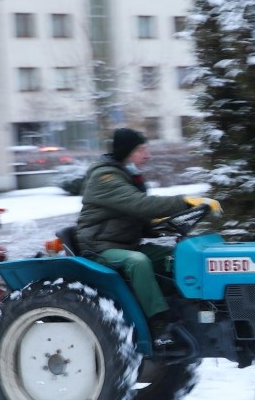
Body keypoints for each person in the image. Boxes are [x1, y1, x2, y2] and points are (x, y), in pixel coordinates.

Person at [77, 128, 221, 347]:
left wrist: (164, 226)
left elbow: (135, 217)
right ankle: (159, 323)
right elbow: (140, 205)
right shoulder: (104, 178)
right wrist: (185, 201)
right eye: (141, 150)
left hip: (126, 244)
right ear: (127, 152)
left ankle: (187, 312)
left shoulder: (127, 176)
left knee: (179, 258)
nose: (148, 155)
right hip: (100, 249)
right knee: (138, 262)